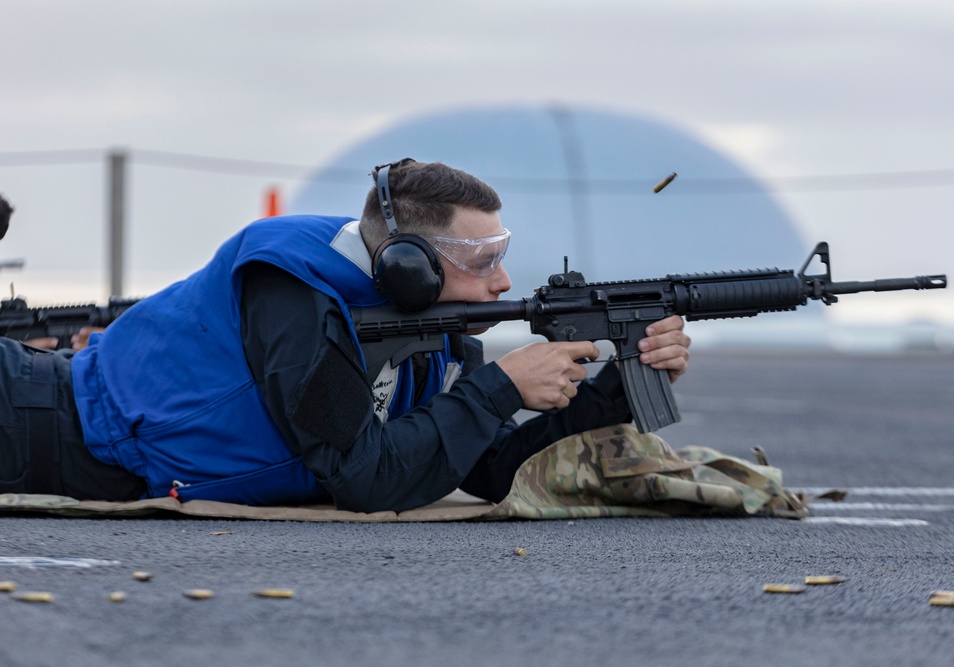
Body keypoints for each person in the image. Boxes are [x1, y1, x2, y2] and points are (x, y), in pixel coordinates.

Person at [0, 160, 690, 511]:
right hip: (32, 419)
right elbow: (363, 474)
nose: (503, 281)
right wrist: (499, 387)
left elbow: (478, 467)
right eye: (481, 261)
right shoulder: (292, 293)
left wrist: (615, 387)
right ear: (409, 267)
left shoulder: (421, 320)